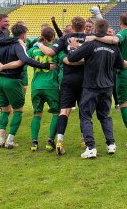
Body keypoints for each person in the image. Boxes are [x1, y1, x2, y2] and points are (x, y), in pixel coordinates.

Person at [37, 17, 116, 155]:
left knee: (64, 110)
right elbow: (98, 51)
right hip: (85, 80)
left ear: (72, 27)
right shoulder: (90, 37)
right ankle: (84, 139)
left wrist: (38, 45)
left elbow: (50, 52)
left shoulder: (65, 38)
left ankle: (60, 140)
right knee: (84, 111)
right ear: (85, 26)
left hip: (68, 79)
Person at [0, 23, 54, 148]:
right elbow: (25, 60)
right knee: (18, 110)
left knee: (5, 110)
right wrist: (46, 65)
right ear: (23, 35)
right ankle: (10, 140)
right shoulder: (18, 45)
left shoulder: (1, 46)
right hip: (12, 81)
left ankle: (1, 139)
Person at [88, 13, 127, 147]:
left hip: (125, 73)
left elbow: (114, 41)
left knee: (123, 104)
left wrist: (94, 37)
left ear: (120, 22)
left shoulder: (123, 34)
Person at [67, 19, 124, 158]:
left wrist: (74, 47)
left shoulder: (91, 43)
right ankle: (111, 144)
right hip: (107, 87)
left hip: (91, 87)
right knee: (104, 116)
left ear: (95, 29)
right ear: (107, 29)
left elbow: (72, 58)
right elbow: (121, 65)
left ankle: (91, 147)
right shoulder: (114, 46)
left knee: (85, 116)